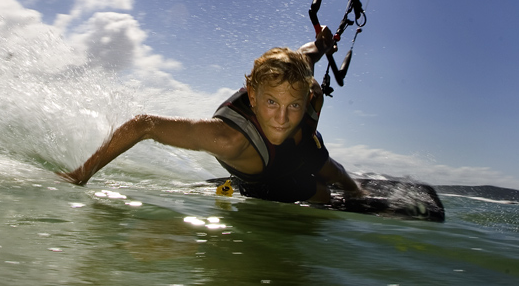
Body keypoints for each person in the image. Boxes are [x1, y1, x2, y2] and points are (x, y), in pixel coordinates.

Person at [58, 27, 361, 204]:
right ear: (253, 96)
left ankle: (355, 190)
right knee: (321, 193)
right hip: (266, 176)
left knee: (332, 171)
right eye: (271, 103)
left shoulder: (296, 78)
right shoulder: (229, 140)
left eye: (293, 105)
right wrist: (81, 174)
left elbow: (308, 53)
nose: (281, 117)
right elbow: (143, 125)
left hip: (301, 145)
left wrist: (322, 43)